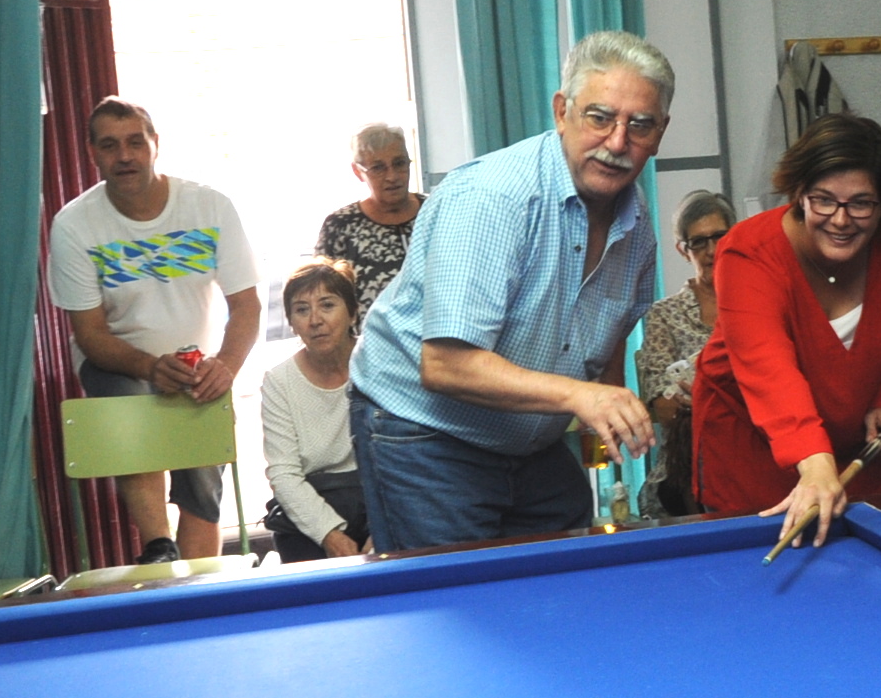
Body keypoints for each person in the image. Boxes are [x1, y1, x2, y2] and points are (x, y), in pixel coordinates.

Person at [347, 31, 667, 552]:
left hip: (528, 438)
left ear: (660, 133)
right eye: (600, 117)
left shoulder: (636, 222)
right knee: (459, 597)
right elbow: (445, 365)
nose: (616, 143)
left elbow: (610, 339)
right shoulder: (493, 197)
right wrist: (580, 396)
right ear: (562, 112)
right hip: (423, 428)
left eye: (640, 125)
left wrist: (604, 413)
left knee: (569, 575)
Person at [691, 113, 881, 550]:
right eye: (823, 200)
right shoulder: (747, 251)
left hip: (852, 451)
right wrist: (814, 462)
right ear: (798, 193)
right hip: (753, 450)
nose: (841, 219)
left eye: (861, 203)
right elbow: (767, 369)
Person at [47, 97, 262, 563]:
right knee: (131, 400)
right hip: (116, 359)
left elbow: (246, 306)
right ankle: (159, 547)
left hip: (195, 360)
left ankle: (198, 581)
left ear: (155, 145)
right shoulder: (74, 225)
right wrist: (149, 367)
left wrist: (224, 367)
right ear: (92, 153)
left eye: (135, 143)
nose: (124, 156)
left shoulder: (209, 206)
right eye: (110, 145)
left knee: (202, 473)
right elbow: (91, 335)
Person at [635, 190, 735, 518]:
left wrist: (700, 395)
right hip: (687, 470)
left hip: (756, 457)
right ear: (683, 250)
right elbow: (665, 409)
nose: (711, 251)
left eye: (719, 237)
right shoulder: (665, 315)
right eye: (698, 242)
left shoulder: (758, 304)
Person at [260, 259, 367, 562]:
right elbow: (284, 473)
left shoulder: (377, 361)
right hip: (311, 507)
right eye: (302, 310)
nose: (315, 320)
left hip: (379, 498)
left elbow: (402, 456)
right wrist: (329, 534)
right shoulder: (279, 381)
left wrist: (383, 527)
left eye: (327, 305)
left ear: (352, 312)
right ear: (291, 322)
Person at [316, 122, 424, 322]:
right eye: (378, 168)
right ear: (358, 172)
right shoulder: (340, 225)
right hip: (368, 338)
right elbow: (321, 297)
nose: (392, 176)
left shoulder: (436, 210)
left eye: (399, 163)